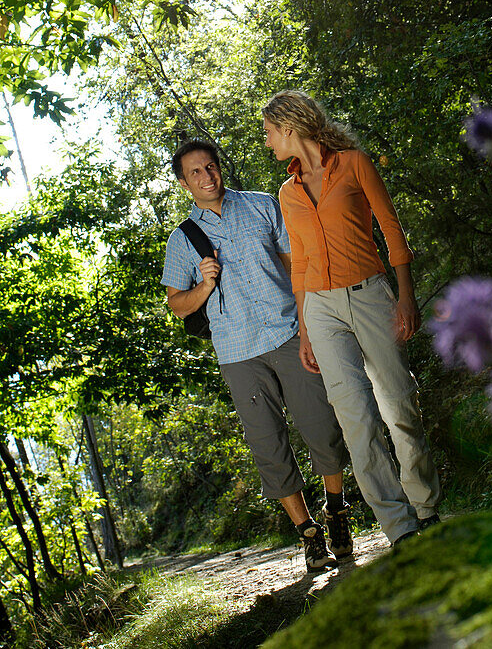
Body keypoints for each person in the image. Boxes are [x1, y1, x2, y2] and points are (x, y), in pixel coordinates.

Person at [162, 138, 352, 572]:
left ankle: (336, 510)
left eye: (211, 166)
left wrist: (310, 325)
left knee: (322, 425)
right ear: (184, 182)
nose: (207, 176)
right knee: (268, 443)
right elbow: (178, 304)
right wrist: (205, 286)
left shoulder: (263, 205)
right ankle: (307, 533)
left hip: (288, 333)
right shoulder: (181, 240)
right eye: (195, 172)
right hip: (237, 352)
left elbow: (296, 264)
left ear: (218, 167)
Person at [262, 91, 441, 546]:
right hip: (320, 311)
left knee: (399, 403)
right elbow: (298, 262)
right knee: (356, 420)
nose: (267, 143)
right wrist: (304, 328)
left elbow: (391, 228)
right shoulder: (287, 192)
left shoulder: (355, 164)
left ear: (287, 127)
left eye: (268, 132)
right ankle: (399, 529)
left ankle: (425, 507)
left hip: (370, 296)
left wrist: (406, 297)